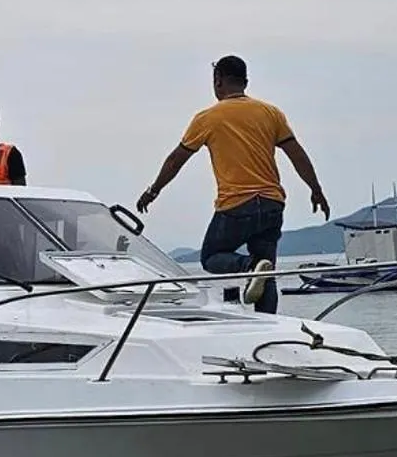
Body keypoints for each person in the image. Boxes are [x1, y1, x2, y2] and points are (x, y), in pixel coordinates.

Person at [136, 55, 330, 313]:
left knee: (211, 257)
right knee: (266, 272)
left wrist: (153, 191)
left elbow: (176, 160)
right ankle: (269, 331)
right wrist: (315, 189)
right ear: (245, 81)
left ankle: (249, 267)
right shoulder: (271, 113)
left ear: (218, 81)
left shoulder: (208, 118)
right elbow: (297, 154)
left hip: (237, 204)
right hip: (273, 204)